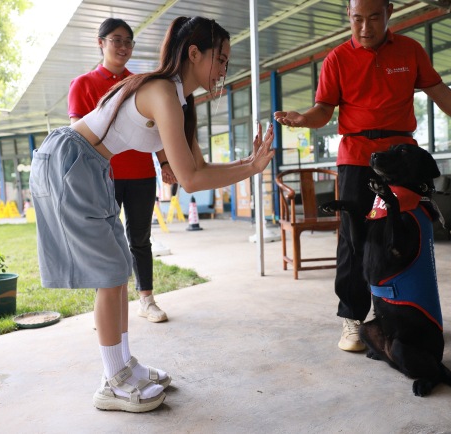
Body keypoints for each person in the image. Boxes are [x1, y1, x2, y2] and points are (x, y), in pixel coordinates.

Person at [29, 16, 275, 413]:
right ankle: (112, 382)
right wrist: (249, 168)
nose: (224, 69)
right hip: (70, 159)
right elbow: (192, 180)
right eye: (222, 58)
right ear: (194, 54)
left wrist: (248, 163)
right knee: (110, 272)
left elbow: (195, 169)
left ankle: (124, 365)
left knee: (119, 267)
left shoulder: (179, 99)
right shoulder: (162, 92)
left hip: (90, 164)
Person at [274, 0, 451, 353]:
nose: (365, 28)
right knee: (354, 241)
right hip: (355, 157)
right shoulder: (337, 59)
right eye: (357, 20)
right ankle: (353, 319)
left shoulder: (410, 51)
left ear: (389, 13)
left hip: (401, 162)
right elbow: (324, 109)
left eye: (373, 18)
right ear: (348, 17)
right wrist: (303, 119)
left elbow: (440, 93)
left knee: (403, 234)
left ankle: (404, 314)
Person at [68, 18, 172, 324]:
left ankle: (146, 300)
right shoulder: (83, 84)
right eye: (117, 39)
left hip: (142, 175)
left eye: (128, 41)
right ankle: (104, 308)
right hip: (103, 177)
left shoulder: (139, 82)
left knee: (140, 238)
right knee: (105, 242)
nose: (123, 46)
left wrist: (165, 163)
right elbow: (77, 135)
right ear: (100, 43)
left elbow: (155, 128)